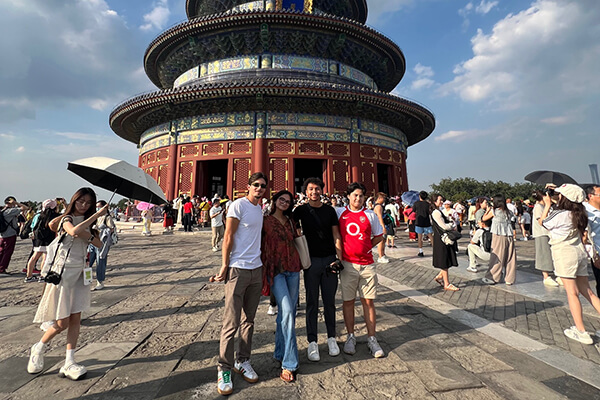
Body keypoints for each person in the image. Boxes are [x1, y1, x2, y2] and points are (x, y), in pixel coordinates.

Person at [27, 188, 108, 380]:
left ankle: (69, 361)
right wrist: (96, 215)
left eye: (88, 203)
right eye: (81, 201)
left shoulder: (90, 224)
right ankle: (38, 348)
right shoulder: (66, 218)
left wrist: (89, 230)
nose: (84, 205)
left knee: (75, 320)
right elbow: (73, 231)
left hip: (80, 274)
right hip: (64, 275)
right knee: (61, 322)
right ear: (74, 200)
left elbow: (98, 244)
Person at [214, 172, 268, 396]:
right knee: (231, 322)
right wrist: (225, 265)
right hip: (238, 268)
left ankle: (242, 360)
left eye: (263, 186)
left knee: (249, 320)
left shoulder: (260, 209)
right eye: (255, 185)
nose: (259, 188)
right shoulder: (238, 206)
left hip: (256, 269)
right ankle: (223, 368)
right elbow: (227, 236)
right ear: (248, 186)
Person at [541, 184, 600, 344]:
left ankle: (581, 331)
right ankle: (581, 329)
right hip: (579, 253)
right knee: (588, 292)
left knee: (572, 293)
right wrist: (556, 196)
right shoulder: (581, 213)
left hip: (565, 254)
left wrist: (547, 204)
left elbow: (543, 222)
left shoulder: (560, 214)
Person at [293, 177, 342, 362]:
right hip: (311, 262)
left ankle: (331, 338)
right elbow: (292, 230)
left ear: (322, 190)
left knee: (329, 302)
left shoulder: (330, 210)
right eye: (311, 189)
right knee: (312, 303)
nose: (314, 192)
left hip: (330, 260)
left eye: (317, 189)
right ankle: (312, 342)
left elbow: (336, 234)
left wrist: (339, 258)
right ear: (306, 192)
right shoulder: (300, 211)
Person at [336, 182, 385, 358]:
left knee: (368, 301)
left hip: (367, 265)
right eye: (355, 195)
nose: (358, 198)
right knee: (348, 301)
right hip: (348, 265)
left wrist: (365, 248)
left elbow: (379, 236)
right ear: (348, 196)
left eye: (361, 195)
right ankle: (350, 336)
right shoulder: (339, 213)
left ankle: (372, 338)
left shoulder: (370, 215)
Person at [261, 190, 302, 382]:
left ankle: (279, 352)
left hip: (293, 268)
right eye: (281, 200)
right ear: (274, 201)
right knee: (286, 311)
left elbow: (297, 240)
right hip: (276, 271)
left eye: (288, 201)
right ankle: (289, 363)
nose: (285, 203)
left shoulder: (292, 221)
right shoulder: (265, 221)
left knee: (288, 314)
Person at [481, 195, 517, 285]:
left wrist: (488, 210)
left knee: (497, 256)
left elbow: (483, 219)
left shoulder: (495, 211)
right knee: (510, 257)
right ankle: (509, 279)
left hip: (498, 235)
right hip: (509, 235)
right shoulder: (509, 212)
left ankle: (493, 277)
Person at [430, 194, 460, 291]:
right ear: (435, 201)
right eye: (440, 200)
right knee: (444, 261)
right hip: (442, 239)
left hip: (440, 238)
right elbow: (443, 226)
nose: (442, 202)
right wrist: (452, 225)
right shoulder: (436, 212)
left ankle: (440, 276)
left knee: (445, 258)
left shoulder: (437, 211)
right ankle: (446, 283)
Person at [25, 200, 60, 282]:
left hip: (39, 239)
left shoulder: (40, 215)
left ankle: (28, 276)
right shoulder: (56, 216)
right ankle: (43, 275)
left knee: (34, 257)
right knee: (46, 258)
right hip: (49, 239)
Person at [532, 191, 559, 287]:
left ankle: (554, 274)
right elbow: (541, 220)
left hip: (548, 233)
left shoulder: (544, 206)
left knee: (550, 254)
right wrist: (548, 205)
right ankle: (546, 276)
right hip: (541, 233)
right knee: (544, 254)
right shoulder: (538, 207)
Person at [88, 200, 116, 291]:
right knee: (88, 261)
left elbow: (111, 229)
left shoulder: (107, 217)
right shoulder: (96, 217)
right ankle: (86, 280)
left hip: (102, 242)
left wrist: (102, 230)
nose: (98, 208)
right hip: (93, 241)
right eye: (97, 207)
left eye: (99, 207)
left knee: (100, 262)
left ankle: (100, 281)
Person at [0, 196, 29, 274]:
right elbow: (26, 208)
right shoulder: (11, 211)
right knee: (8, 252)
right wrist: (16, 203)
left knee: (1, 251)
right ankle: (2, 268)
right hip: (10, 234)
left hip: (2, 234)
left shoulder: (2, 211)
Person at [584, 184, 600, 296]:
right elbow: (587, 236)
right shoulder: (586, 212)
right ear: (591, 196)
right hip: (598, 252)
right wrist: (595, 256)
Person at [372, 192, 389, 263]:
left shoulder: (377, 206)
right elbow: (379, 217)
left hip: (379, 225)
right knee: (381, 241)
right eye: (383, 198)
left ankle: (383, 254)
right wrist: (383, 227)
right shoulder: (378, 206)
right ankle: (380, 256)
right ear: (379, 198)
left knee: (383, 240)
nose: (384, 200)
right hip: (380, 225)